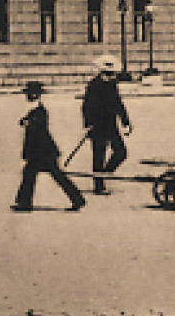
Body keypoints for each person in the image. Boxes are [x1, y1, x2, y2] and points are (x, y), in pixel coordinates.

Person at [13, 81, 85, 212]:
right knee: (41, 175)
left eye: (29, 93)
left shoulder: (39, 110)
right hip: (42, 151)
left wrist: (27, 123)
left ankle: (24, 203)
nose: (27, 96)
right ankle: (77, 199)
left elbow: (37, 130)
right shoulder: (36, 109)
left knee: (47, 175)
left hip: (42, 151)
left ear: (34, 94)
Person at [81, 57, 132, 195]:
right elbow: (86, 107)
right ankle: (99, 185)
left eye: (111, 74)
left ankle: (105, 173)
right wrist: (88, 124)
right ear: (101, 72)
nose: (109, 76)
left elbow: (118, 104)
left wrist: (126, 122)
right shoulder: (93, 85)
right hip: (97, 126)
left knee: (121, 152)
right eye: (107, 73)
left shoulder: (112, 85)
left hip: (110, 124)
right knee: (99, 155)